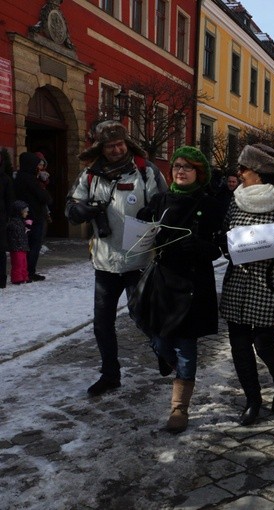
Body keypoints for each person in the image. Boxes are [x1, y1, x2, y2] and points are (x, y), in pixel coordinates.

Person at [66, 120, 168, 396]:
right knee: (102, 323)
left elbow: (165, 205)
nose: (115, 149)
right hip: (105, 261)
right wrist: (81, 211)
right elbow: (71, 206)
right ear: (101, 148)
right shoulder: (90, 174)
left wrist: (153, 214)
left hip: (140, 259)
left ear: (127, 143)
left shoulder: (145, 172)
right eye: (110, 146)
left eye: (119, 144)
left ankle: (163, 351)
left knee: (142, 316)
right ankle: (110, 374)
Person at [135, 146, 223, 433]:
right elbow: (143, 235)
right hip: (162, 280)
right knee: (152, 330)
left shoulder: (210, 204)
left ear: (199, 172)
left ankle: (179, 409)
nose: (181, 171)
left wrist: (200, 247)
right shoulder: (161, 200)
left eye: (188, 167)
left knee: (186, 345)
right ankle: (166, 357)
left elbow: (219, 248)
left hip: (193, 284)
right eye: (177, 166)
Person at [219, 144, 274, 426]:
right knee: (239, 345)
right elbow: (227, 231)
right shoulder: (236, 199)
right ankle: (252, 400)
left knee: (265, 343)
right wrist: (223, 242)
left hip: (270, 282)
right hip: (239, 282)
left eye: (243, 169)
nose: (239, 173)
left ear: (259, 173)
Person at [13, 152, 52, 282]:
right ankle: (30, 271)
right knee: (34, 244)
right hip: (34, 215)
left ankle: (24, 271)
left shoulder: (18, 177)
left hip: (22, 216)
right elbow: (45, 197)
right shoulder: (30, 179)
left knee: (24, 245)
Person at [7, 200, 31, 285]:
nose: (27, 213)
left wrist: (27, 227)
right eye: (25, 212)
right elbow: (16, 234)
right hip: (16, 247)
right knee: (18, 263)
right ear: (19, 212)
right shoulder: (13, 222)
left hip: (22, 246)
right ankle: (17, 278)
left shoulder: (20, 221)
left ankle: (24, 276)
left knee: (24, 263)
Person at [0, 156, 15, 289]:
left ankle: (1, 279)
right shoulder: (6, 179)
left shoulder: (5, 179)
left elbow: (9, 199)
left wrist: (8, 217)